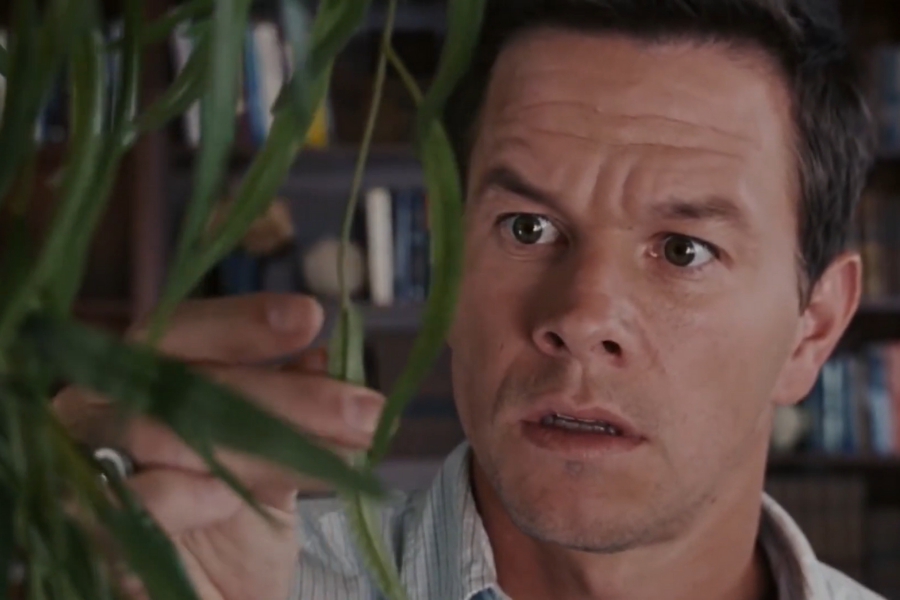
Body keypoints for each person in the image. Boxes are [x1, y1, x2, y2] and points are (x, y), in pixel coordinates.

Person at [54, 0, 886, 598]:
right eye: (526, 229)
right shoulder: (227, 581)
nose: (582, 317)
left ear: (811, 331)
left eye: (684, 251)